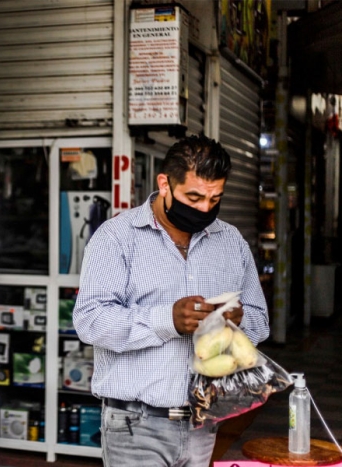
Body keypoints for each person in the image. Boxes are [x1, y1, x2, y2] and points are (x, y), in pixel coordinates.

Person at [72, 134, 269, 467]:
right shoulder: (116, 238)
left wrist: (238, 320)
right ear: (165, 184)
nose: (205, 208)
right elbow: (90, 321)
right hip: (135, 426)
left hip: (204, 423)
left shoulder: (231, 241)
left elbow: (260, 321)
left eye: (214, 198)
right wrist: (167, 321)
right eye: (193, 197)